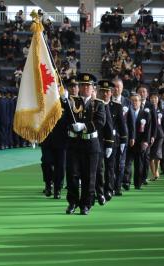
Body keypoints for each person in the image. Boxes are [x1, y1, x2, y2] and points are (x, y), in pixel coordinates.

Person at [64, 73, 106, 215]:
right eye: (82, 85)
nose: (85, 88)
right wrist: (63, 101)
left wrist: (84, 126)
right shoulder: (71, 102)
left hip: (90, 144)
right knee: (72, 175)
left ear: (93, 87)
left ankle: (86, 204)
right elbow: (64, 119)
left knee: (89, 176)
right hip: (74, 143)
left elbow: (100, 121)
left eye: (88, 85)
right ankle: (72, 202)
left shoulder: (98, 104)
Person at [40, 97, 68, 199]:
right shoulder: (43, 101)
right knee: (46, 163)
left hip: (61, 140)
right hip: (47, 139)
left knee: (60, 166)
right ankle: (48, 184)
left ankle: (58, 189)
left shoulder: (65, 103)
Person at [124, 93, 151, 189]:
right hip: (128, 142)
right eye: (132, 101)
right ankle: (126, 182)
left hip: (140, 142)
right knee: (127, 163)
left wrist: (146, 141)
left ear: (140, 102)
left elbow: (148, 129)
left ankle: (137, 183)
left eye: (136, 100)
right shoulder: (126, 113)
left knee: (139, 164)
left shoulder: (145, 114)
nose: (134, 102)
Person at [95, 81, 114, 205]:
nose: (105, 94)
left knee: (106, 169)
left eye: (107, 91)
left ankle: (105, 191)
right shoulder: (95, 104)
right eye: (102, 91)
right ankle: (96, 192)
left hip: (104, 143)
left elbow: (109, 126)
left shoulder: (110, 106)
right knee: (96, 170)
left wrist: (110, 144)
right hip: (93, 141)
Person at [149, 89, 164, 181]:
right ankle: (153, 173)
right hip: (149, 134)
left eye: (155, 98)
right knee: (151, 155)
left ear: (158, 99)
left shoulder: (161, 110)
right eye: (152, 98)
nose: (153, 99)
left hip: (160, 135)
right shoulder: (147, 109)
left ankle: (156, 171)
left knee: (157, 154)